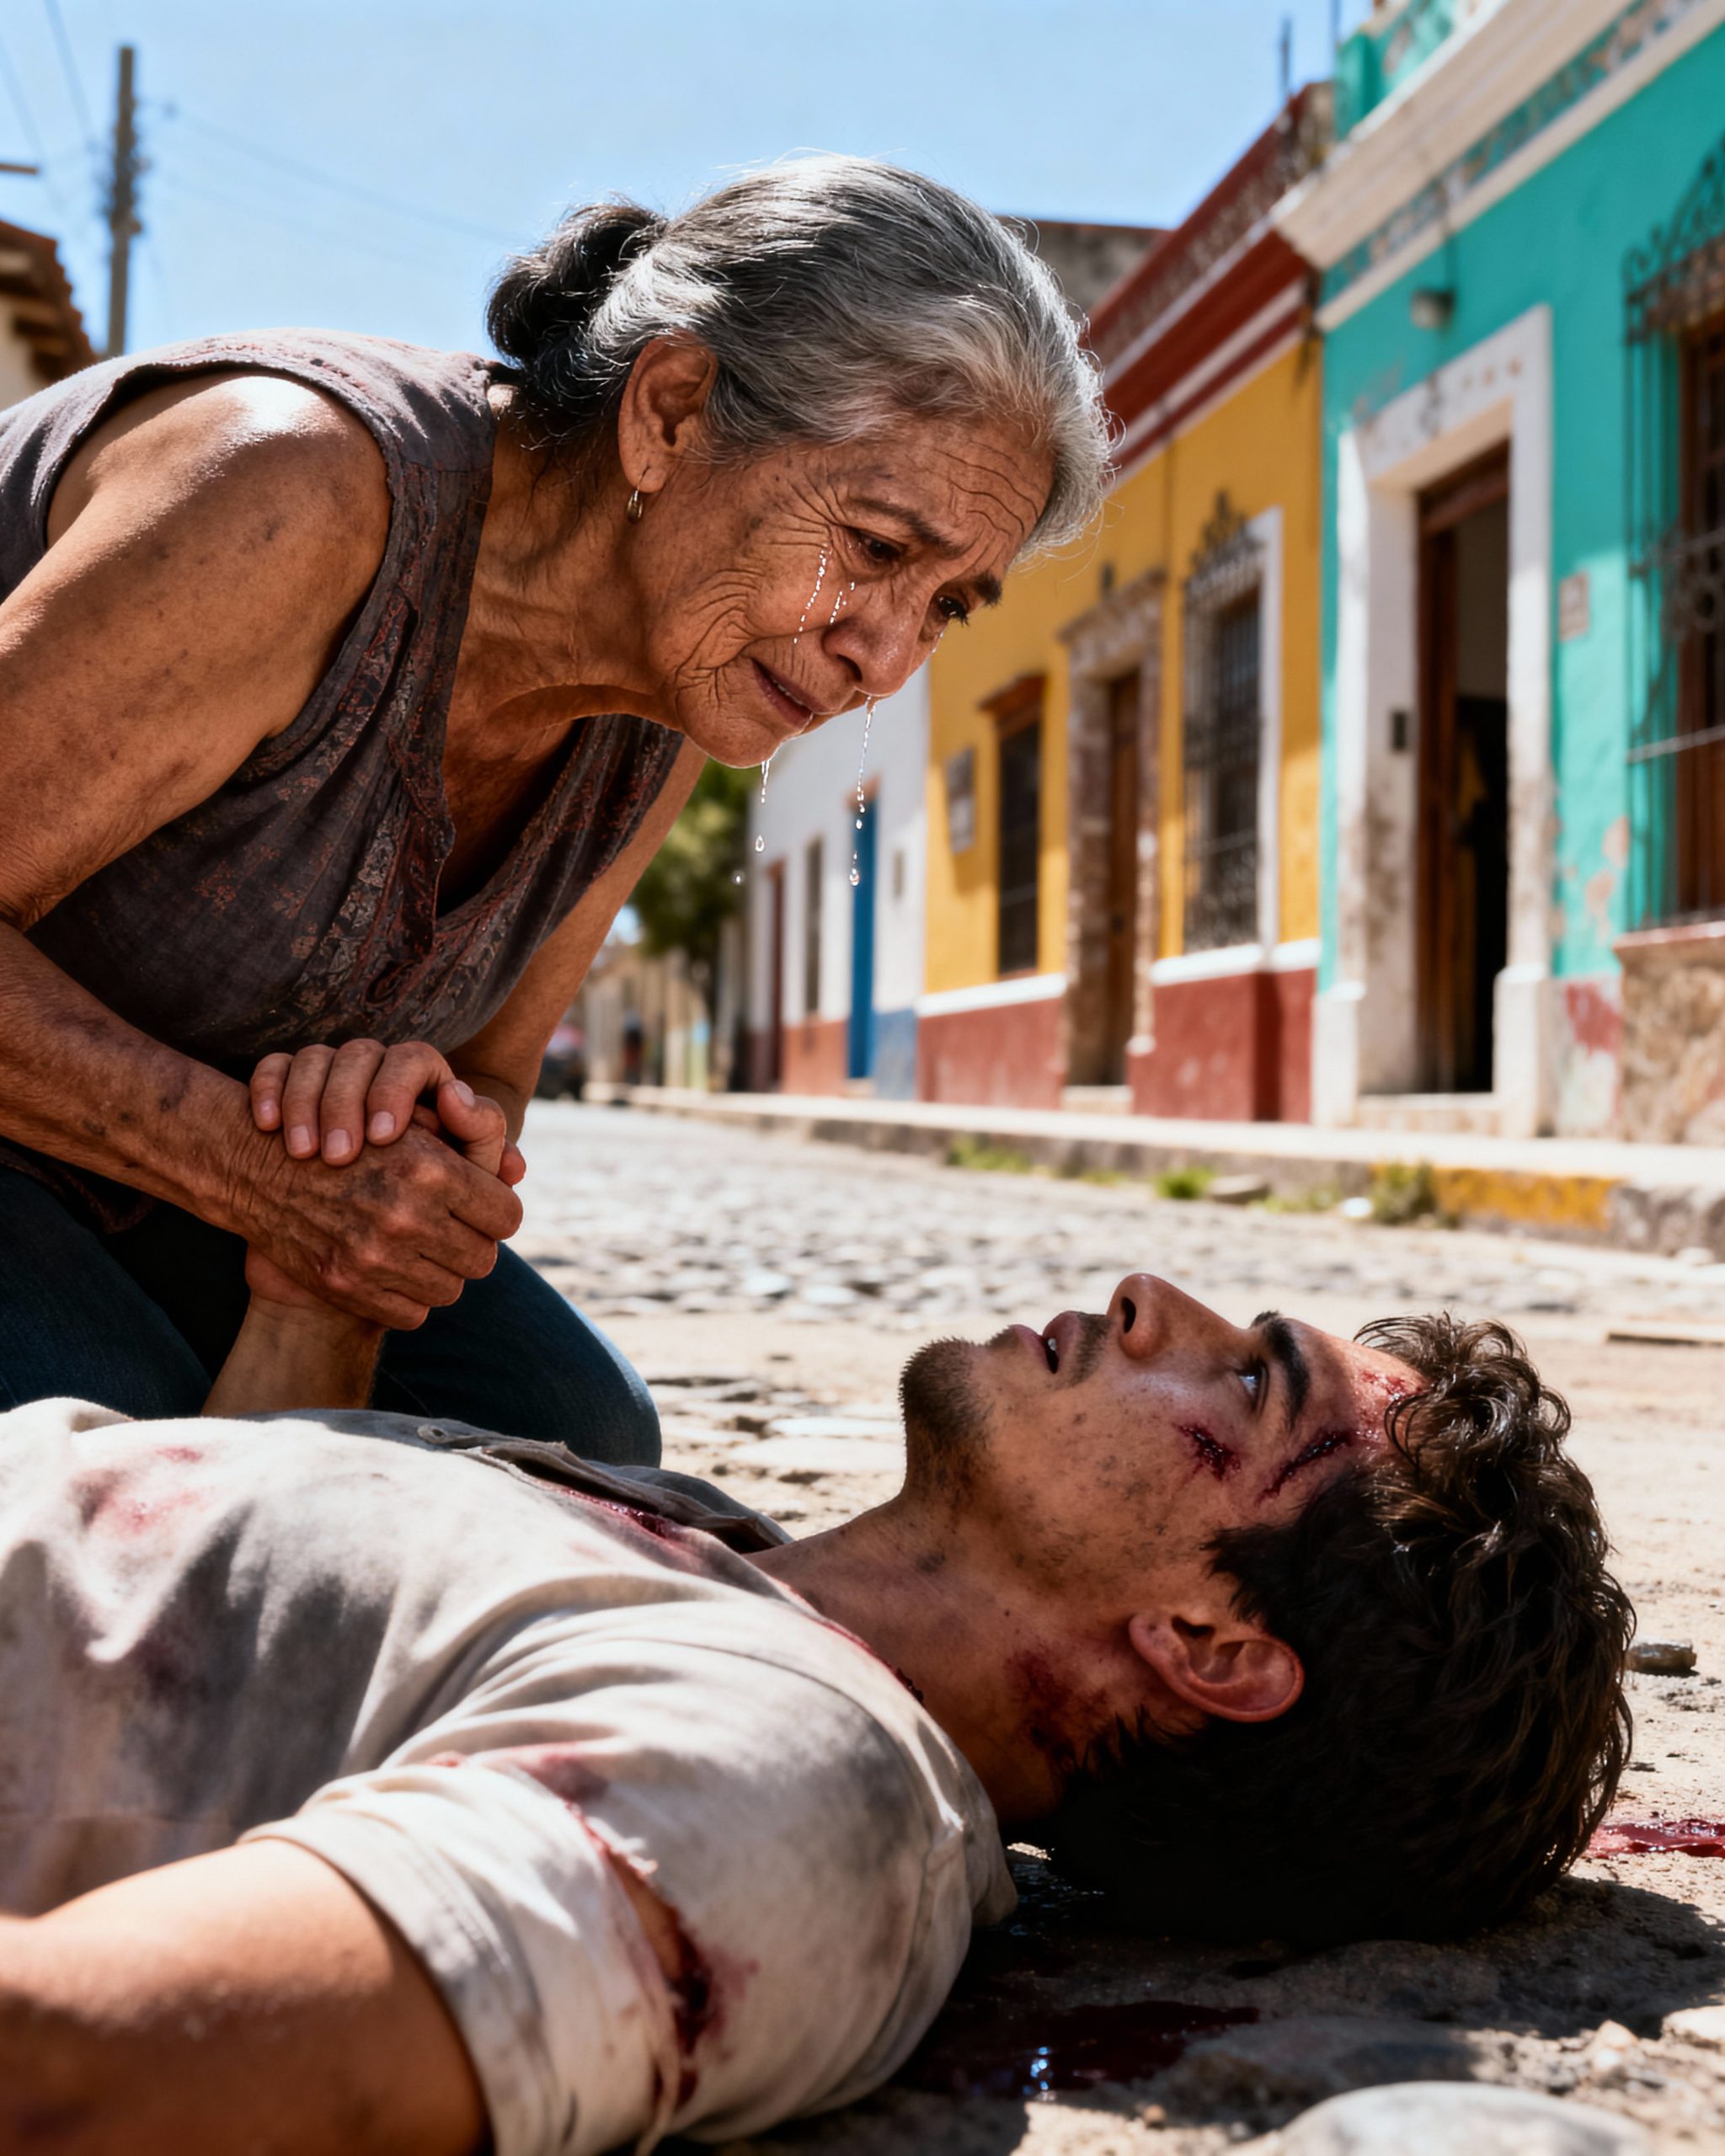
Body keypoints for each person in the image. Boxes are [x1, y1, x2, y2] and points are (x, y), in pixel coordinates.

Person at [0, 1254, 1631, 2154]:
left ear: (1210, 1642)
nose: (1151, 1299)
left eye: (1247, 1381)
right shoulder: (718, 1552)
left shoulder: (789, 1784)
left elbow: (74, 2065)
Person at [0, 154, 1108, 1456]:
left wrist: (398, 1170)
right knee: (105, 1449)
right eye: (874, 550)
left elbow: (490, 1075)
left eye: (945, 606)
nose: (887, 654)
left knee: (576, 1435)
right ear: (673, 412)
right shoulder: (293, 489)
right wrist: (262, 1179)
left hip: (181, 1184)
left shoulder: (670, 697)